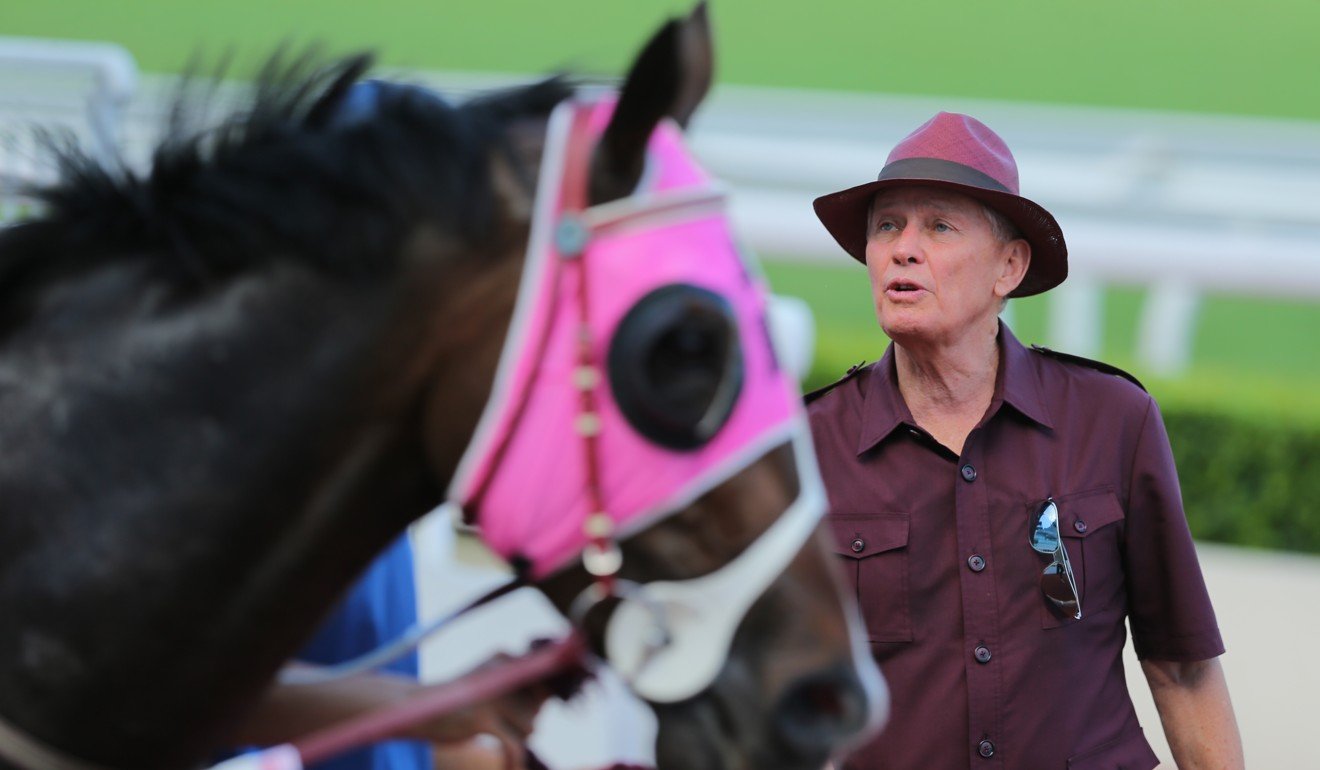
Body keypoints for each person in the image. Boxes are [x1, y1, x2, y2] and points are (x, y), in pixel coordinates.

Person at [806, 112, 1244, 769]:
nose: (903, 247)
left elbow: (1181, 668)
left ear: (1008, 266)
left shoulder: (1112, 420)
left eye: (939, 226)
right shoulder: (809, 443)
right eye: (887, 226)